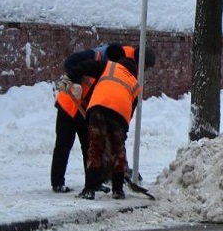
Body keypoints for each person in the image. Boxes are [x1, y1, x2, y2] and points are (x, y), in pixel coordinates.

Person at [49, 43, 138, 193]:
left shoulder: (110, 71)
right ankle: (57, 182)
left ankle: (94, 182)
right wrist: (74, 82)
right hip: (68, 104)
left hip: (85, 110)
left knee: (90, 147)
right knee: (63, 146)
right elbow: (71, 63)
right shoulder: (95, 58)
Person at [70, 48, 156, 200]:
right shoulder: (135, 84)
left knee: (95, 149)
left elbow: (85, 67)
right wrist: (121, 133)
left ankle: (89, 189)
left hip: (98, 109)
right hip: (120, 115)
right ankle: (118, 190)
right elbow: (130, 110)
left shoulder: (108, 66)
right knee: (118, 152)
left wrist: (71, 76)